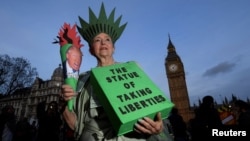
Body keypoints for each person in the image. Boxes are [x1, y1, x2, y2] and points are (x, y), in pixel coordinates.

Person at [60, 3, 163, 141]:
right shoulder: (83, 81)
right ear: (91, 50)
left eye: (107, 40)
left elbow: (153, 111)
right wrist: (64, 104)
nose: (103, 43)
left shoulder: (132, 69)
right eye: (97, 40)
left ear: (113, 48)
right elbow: (74, 125)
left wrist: (157, 125)